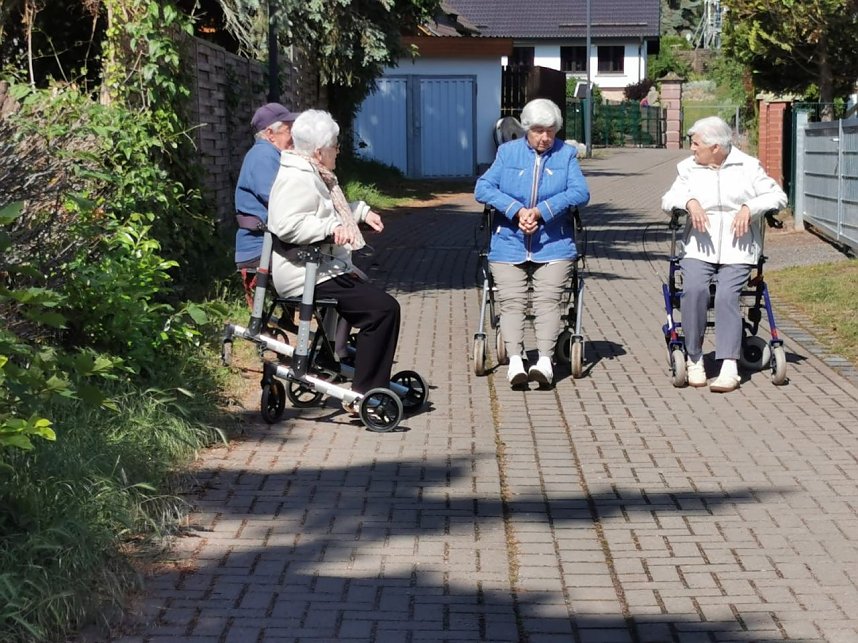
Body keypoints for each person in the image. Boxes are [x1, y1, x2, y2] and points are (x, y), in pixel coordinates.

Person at [267, 109, 399, 406]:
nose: (338, 151)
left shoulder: (313, 172)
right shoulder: (296, 178)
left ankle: (368, 384)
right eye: (335, 146)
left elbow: (329, 211)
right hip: (304, 273)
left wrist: (362, 212)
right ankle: (363, 392)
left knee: (380, 307)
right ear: (319, 151)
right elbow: (286, 224)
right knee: (382, 311)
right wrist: (330, 227)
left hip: (321, 268)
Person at [662, 116, 787, 393]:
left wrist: (749, 207)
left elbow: (778, 197)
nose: (692, 149)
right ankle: (695, 358)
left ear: (715, 147)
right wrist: (689, 201)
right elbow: (667, 199)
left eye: (696, 144)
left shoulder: (748, 166)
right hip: (699, 247)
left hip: (738, 249)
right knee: (694, 289)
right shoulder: (688, 169)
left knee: (727, 295)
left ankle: (729, 365)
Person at [475, 98, 590, 388]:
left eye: (551, 130)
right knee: (512, 302)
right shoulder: (507, 153)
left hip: (554, 243)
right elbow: (483, 188)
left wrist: (542, 211)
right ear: (527, 128)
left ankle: (545, 363)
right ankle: (515, 362)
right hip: (508, 242)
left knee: (548, 301)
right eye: (539, 130)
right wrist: (517, 211)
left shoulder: (566, 155)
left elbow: (580, 192)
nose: (545, 137)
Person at [234, 102, 299, 293]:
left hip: (272, 244)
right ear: (270, 133)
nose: (293, 137)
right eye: (289, 130)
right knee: (328, 275)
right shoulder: (263, 156)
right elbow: (282, 201)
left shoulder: (272, 154)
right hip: (260, 248)